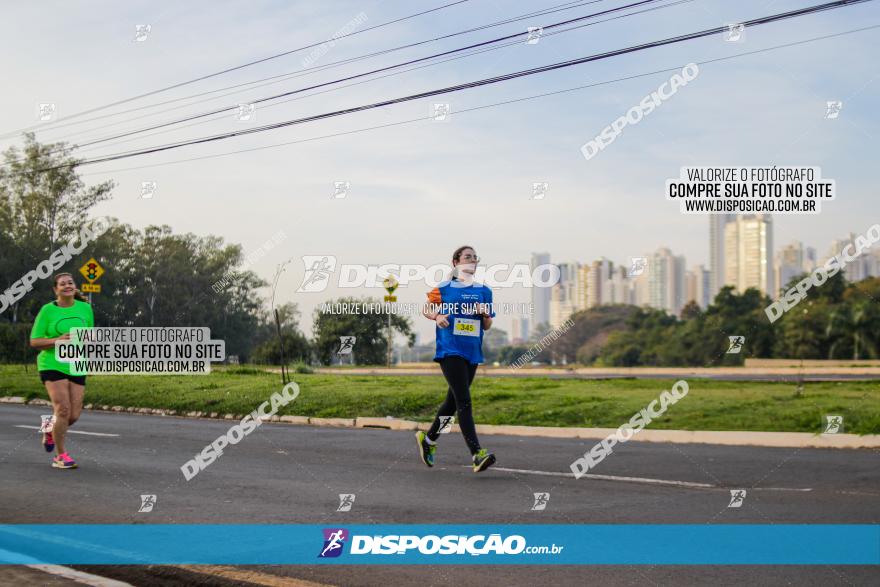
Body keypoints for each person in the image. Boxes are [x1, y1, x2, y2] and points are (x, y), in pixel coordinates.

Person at [416, 246, 496, 473]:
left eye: (474, 257)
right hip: (450, 350)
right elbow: (427, 308)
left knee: (452, 403)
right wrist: (438, 315)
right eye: (467, 257)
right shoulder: (444, 288)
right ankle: (477, 454)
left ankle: (429, 440)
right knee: (465, 402)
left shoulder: (484, 291)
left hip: (472, 351)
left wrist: (484, 314)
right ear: (456, 262)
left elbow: (488, 326)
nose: (472, 260)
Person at [29, 273, 94, 469]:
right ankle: (60, 456)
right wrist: (57, 341)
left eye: (70, 283)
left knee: (72, 415)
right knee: (63, 409)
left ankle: (49, 428)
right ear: (55, 290)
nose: (67, 286)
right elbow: (34, 341)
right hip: (52, 364)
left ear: (74, 287)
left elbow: (89, 336)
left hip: (76, 364)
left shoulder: (86, 308)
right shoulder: (47, 311)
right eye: (62, 284)